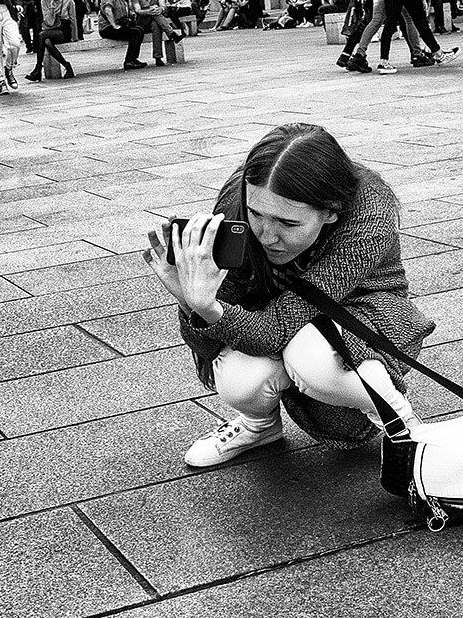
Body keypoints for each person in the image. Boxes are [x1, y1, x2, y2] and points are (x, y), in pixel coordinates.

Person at [143, 123, 434, 468]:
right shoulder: (239, 202)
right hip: (274, 319)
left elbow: (272, 331)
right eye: (256, 215)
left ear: (330, 211)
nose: (266, 236)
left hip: (360, 316)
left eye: (288, 223)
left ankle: (402, 424)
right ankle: (259, 427)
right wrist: (190, 302)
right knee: (239, 377)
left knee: (312, 359)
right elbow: (210, 342)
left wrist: (208, 308)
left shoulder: (368, 214)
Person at [128, 0, 184, 64]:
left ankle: (158, 58)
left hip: (155, 20)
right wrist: (149, 11)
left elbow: (163, 5)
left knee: (156, 25)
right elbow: (138, 10)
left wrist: (160, 9)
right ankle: (172, 34)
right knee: (155, 16)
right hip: (141, 22)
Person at [25, 0, 75, 81]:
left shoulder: (67, 0)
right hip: (51, 31)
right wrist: (51, 3)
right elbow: (49, 22)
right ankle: (67, 66)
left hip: (64, 31)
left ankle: (38, 70)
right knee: (46, 41)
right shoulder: (44, 1)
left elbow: (73, 19)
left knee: (41, 36)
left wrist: (75, 37)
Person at [97, 0, 147, 70]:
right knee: (135, 33)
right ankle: (128, 61)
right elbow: (107, 10)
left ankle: (133, 59)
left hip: (117, 24)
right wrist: (114, 26)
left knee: (140, 29)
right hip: (107, 28)